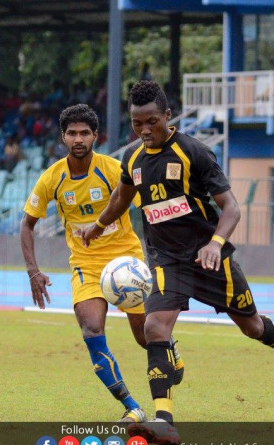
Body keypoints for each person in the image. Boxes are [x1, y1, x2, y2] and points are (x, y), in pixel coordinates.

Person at [81, 81, 274, 445]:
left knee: (251, 326)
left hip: (208, 256)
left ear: (168, 116)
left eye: (151, 122)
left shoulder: (193, 153)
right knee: (154, 328)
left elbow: (231, 207)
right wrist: (100, 224)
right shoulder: (133, 158)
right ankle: (164, 420)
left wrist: (216, 244)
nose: (145, 131)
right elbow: (123, 195)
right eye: (137, 124)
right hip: (166, 260)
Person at [20, 104, 184, 424]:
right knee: (91, 328)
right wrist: (33, 272)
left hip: (126, 261)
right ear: (63, 137)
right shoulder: (52, 178)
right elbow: (27, 224)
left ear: (95, 136)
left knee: (143, 336)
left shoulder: (111, 169)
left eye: (84, 133)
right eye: (72, 133)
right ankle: (132, 406)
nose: (78, 138)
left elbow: (149, 205)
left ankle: (170, 349)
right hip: (86, 265)